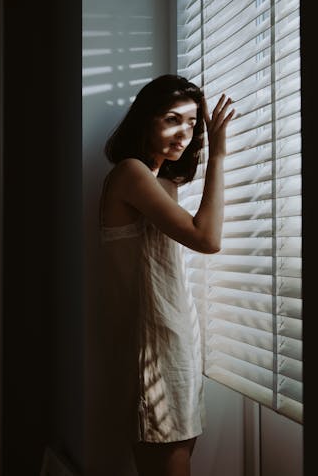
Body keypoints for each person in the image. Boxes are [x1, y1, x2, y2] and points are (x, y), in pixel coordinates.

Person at [98, 74, 234, 476]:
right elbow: (207, 238)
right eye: (173, 119)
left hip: (174, 345)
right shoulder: (130, 173)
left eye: (193, 123)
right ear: (146, 120)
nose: (185, 133)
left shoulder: (161, 183)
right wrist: (220, 155)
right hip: (152, 354)